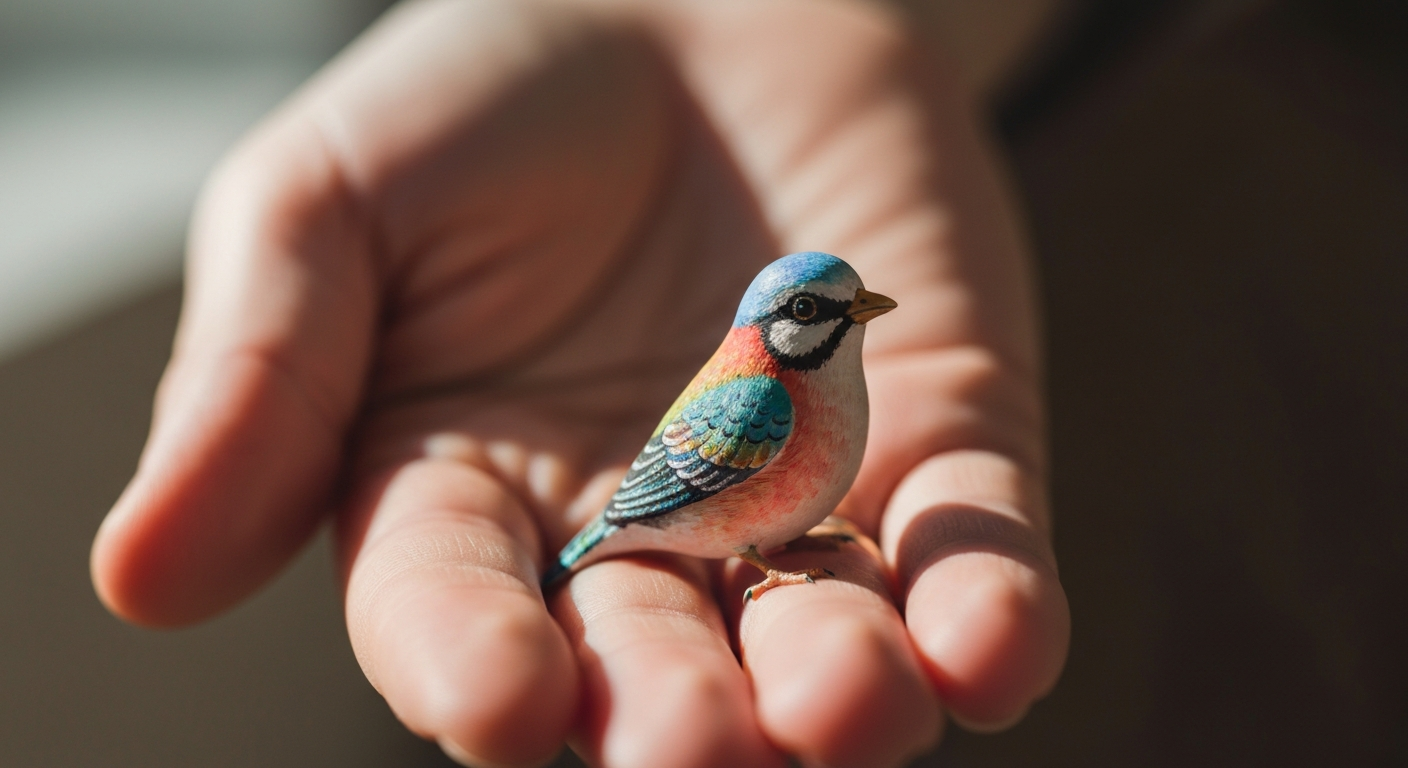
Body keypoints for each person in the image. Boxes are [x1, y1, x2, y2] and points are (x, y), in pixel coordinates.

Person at [90, 1, 1070, 765]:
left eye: (847, 305)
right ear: (776, 329)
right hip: (666, 512)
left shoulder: (826, 383)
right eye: (824, 311)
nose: (853, 317)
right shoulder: (766, 404)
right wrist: (752, 556)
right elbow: (684, 484)